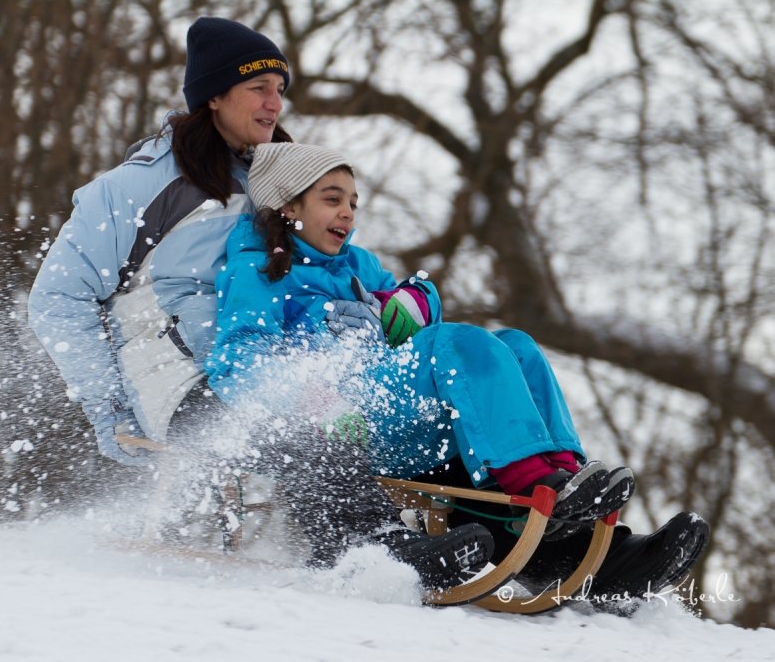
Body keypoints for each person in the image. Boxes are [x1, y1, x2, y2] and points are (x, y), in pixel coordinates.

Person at [28, 16, 496, 591]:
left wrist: (376, 307)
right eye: (259, 88)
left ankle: (514, 530)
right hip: (184, 379)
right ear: (214, 96)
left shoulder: (280, 176)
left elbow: (337, 265)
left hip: (290, 358)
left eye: (281, 89)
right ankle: (372, 549)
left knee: (435, 392)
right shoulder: (133, 190)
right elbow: (57, 298)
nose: (275, 103)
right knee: (297, 410)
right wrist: (108, 406)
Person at [204, 141, 710, 603]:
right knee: (462, 342)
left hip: (403, 410)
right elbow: (237, 361)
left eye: (354, 202)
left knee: (517, 346)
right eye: (331, 199)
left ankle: (567, 492)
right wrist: (308, 397)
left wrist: (416, 301)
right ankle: (535, 490)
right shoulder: (260, 269)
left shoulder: (357, 265)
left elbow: (429, 340)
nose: (347, 212)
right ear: (288, 206)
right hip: (350, 426)